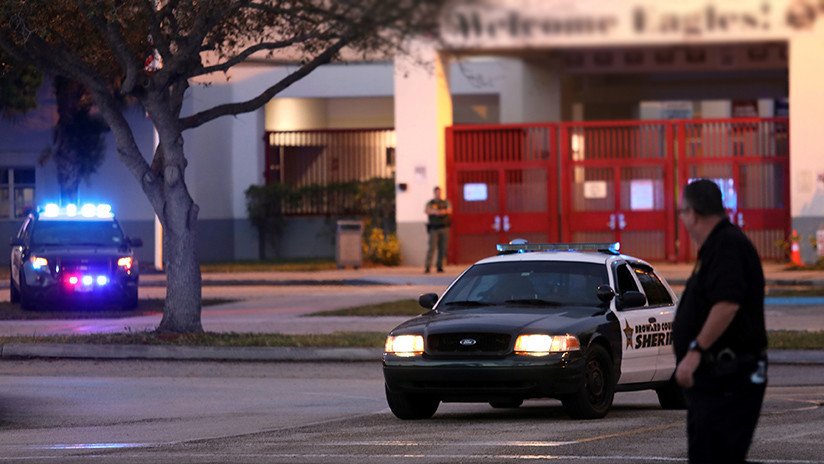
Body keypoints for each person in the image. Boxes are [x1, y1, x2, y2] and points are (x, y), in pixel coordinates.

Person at [673, 179, 768, 464]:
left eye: (681, 212)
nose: (682, 220)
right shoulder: (716, 246)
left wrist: (695, 352)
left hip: (729, 377)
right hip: (717, 380)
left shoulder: (726, 245)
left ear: (693, 213)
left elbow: (727, 304)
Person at [424, 186, 452, 273]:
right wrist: (437, 212)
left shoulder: (445, 202)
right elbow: (427, 210)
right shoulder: (431, 203)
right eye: (437, 192)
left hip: (444, 227)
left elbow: (449, 210)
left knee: (442, 248)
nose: (438, 194)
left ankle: (439, 266)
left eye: (439, 192)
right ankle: (428, 266)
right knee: (431, 247)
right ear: (434, 193)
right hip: (434, 229)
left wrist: (439, 212)